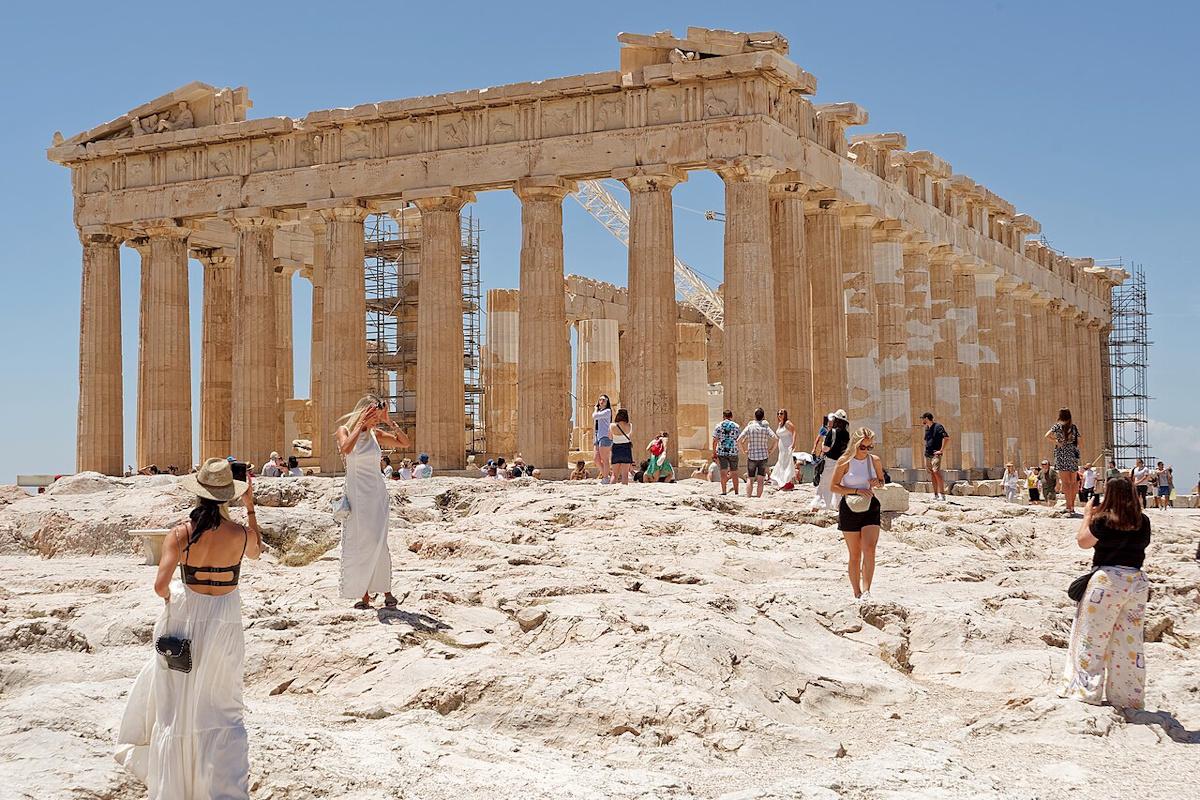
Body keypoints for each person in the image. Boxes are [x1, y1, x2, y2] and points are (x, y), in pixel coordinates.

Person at [115, 457, 264, 798]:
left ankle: (175, 787)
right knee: (222, 702)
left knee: (177, 705)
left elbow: (160, 585)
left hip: (185, 617)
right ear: (229, 495)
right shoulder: (240, 534)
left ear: (198, 494)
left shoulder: (181, 533)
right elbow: (256, 552)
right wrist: (250, 506)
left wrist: (175, 600)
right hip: (225, 618)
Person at [1059, 477, 1151, 710]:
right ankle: (1127, 697)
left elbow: (1083, 542)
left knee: (1092, 638)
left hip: (1106, 583)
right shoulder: (1144, 521)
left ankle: (1086, 691)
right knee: (1128, 642)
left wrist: (1088, 515)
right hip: (1137, 583)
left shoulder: (1103, 520)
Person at [336, 394, 409, 610]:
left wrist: (389, 422)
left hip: (376, 493)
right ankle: (364, 594)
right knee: (361, 541)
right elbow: (346, 449)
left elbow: (404, 443)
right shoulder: (345, 430)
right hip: (357, 495)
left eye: (378, 417)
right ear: (364, 412)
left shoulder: (377, 433)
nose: (376, 420)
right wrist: (360, 424)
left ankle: (386, 590)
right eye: (374, 416)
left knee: (379, 540)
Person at [830, 427, 885, 601]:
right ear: (855, 444)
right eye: (863, 447)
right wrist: (856, 490)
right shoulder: (844, 462)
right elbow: (834, 486)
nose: (866, 450)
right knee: (854, 554)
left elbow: (882, 482)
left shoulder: (874, 460)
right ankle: (857, 592)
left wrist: (877, 482)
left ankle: (867, 591)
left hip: (871, 506)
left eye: (870, 447)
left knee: (869, 549)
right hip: (850, 507)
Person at [1046, 408, 1082, 515]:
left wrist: (1057, 442)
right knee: (1073, 482)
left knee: (1066, 483)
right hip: (1073, 456)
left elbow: (1047, 435)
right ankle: (1072, 506)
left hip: (1062, 455)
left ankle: (1068, 507)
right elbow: (1080, 441)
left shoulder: (1057, 426)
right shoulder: (1074, 427)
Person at [813, 409, 851, 510]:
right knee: (838, 484)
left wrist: (822, 445)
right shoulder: (846, 434)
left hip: (830, 461)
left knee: (826, 483)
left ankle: (824, 505)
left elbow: (826, 448)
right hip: (841, 462)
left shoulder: (832, 432)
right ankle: (837, 505)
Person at [738, 407, 779, 498]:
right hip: (763, 456)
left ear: (754, 416)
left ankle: (748, 496)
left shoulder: (749, 427)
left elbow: (739, 440)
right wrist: (771, 450)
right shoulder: (766, 428)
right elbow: (776, 439)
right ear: (763, 416)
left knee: (750, 478)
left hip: (752, 456)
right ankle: (758, 497)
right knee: (761, 479)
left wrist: (743, 451)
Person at [711, 410, 742, 496]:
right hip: (733, 451)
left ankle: (724, 491)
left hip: (722, 451)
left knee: (723, 472)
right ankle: (736, 492)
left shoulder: (718, 426)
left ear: (723, 416)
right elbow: (739, 439)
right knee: (734, 472)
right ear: (731, 416)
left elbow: (715, 440)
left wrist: (714, 452)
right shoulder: (736, 426)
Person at [921, 412, 950, 501]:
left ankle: (942, 494)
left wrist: (941, 450)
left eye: (923, 418)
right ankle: (936, 494)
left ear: (926, 418)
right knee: (932, 473)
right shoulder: (927, 428)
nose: (922, 420)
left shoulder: (938, 427)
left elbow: (946, 438)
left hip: (935, 453)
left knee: (936, 471)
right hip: (928, 453)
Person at [770, 409, 797, 487]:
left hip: (787, 446)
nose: (779, 415)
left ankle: (787, 481)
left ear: (785, 414)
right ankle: (783, 481)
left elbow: (794, 431)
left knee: (787, 463)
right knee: (782, 463)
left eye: (781, 413)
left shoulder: (787, 423)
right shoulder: (780, 424)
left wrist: (793, 443)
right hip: (781, 447)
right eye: (778, 413)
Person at [592, 394, 614, 484]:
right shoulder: (600, 411)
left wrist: (595, 409)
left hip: (605, 436)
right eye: (600, 399)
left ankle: (605, 478)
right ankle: (606, 474)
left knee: (604, 459)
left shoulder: (608, 411)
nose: (601, 401)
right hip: (598, 436)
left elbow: (594, 416)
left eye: (604, 400)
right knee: (596, 459)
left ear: (607, 402)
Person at [610, 409, 634, 485]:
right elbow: (630, 437)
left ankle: (611, 490)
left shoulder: (612, 426)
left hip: (616, 449)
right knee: (625, 475)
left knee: (614, 474)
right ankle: (624, 492)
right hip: (626, 449)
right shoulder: (630, 425)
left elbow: (610, 437)